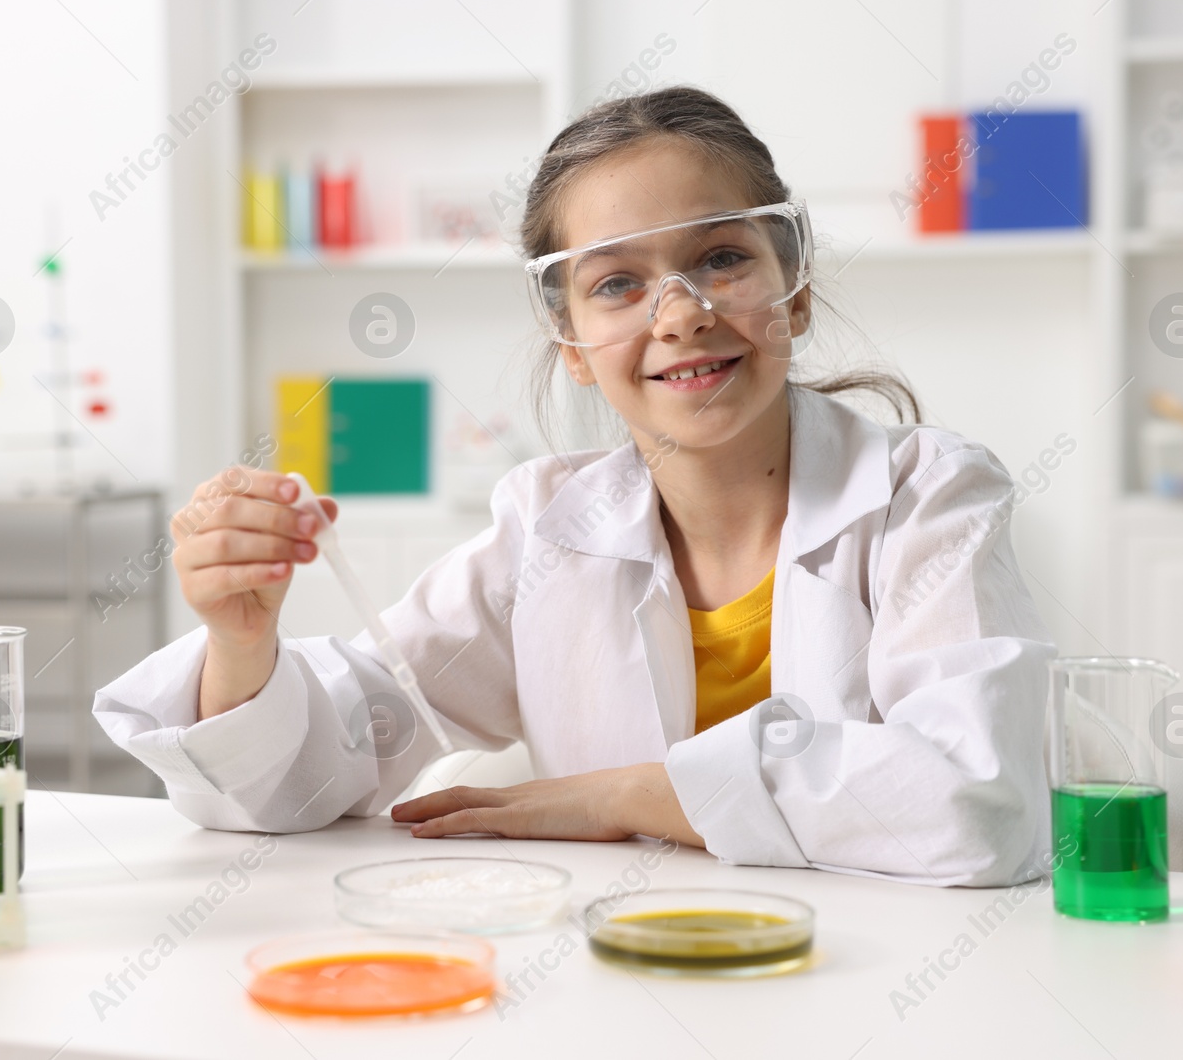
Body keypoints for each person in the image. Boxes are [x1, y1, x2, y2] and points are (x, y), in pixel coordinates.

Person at [95, 86, 1062, 887]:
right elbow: (312, 777)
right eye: (617, 284)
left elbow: (977, 803)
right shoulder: (545, 531)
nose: (679, 313)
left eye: (721, 259)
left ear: (794, 287)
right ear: (572, 346)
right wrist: (240, 635)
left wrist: (621, 794)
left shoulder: (928, 496)